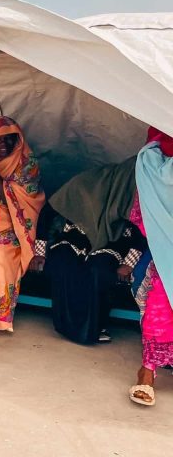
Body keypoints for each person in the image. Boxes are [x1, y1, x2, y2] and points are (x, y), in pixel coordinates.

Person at [46, 157, 143, 344]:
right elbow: (49, 210)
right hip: (78, 235)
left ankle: (95, 326)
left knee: (98, 269)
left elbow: (142, 232)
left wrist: (128, 263)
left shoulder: (135, 195)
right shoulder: (88, 183)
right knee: (64, 261)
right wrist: (40, 251)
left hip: (114, 241)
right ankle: (66, 324)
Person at [0, 117, 46, 332]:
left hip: (13, 236)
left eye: (9, 139)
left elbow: (20, 200)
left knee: (0, 259)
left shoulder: (26, 166)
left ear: (18, 141)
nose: (3, 145)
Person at [129, 127, 173, 406]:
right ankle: (148, 370)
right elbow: (143, 214)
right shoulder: (150, 159)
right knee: (160, 298)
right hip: (165, 248)